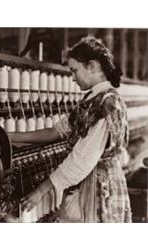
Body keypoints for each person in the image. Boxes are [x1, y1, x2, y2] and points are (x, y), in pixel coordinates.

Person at [9, 36, 132, 222]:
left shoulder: (107, 104)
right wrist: (8, 136)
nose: (72, 78)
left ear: (91, 66)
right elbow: (56, 132)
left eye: (75, 71)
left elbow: (81, 160)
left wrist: (40, 191)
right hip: (87, 182)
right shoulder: (91, 100)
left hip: (99, 188)